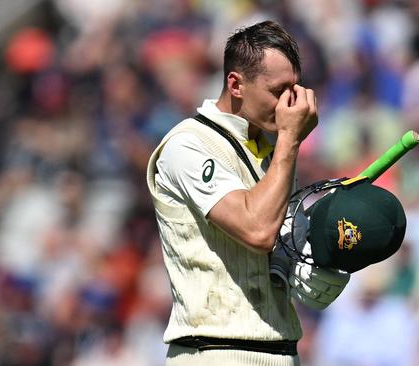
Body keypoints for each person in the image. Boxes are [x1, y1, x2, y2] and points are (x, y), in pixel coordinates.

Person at [145, 20, 349, 365]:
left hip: (281, 350)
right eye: (277, 90)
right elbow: (256, 230)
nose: (289, 104)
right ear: (236, 84)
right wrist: (290, 140)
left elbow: (278, 254)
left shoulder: (271, 150)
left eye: (294, 89)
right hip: (215, 351)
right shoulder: (188, 144)